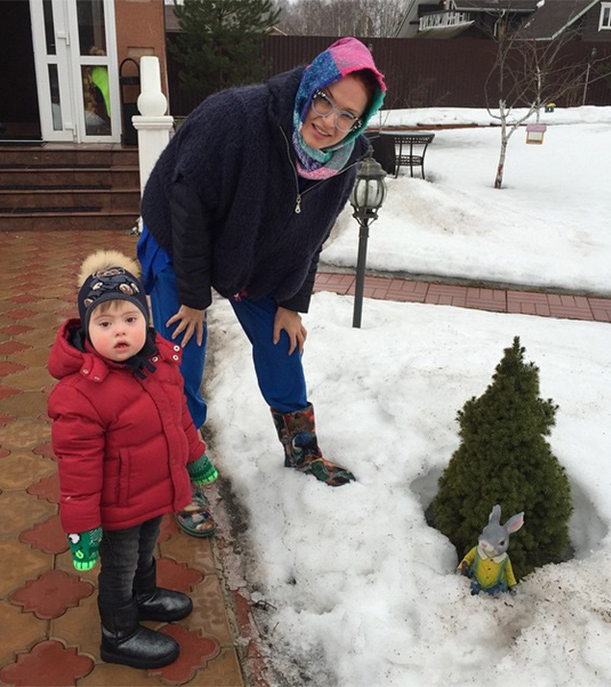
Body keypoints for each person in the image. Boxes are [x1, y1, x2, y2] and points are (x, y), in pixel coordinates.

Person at [138, 37, 386, 535]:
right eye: (324, 101)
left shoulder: (341, 162)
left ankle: (301, 448)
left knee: (281, 342)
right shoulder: (236, 116)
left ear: (360, 122)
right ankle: (182, 472)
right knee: (180, 354)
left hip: (249, 249)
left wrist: (292, 303)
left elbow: (311, 236)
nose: (329, 122)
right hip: (179, 235)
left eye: (347, 116)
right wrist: (194, 298)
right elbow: (186, 203)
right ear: (309, 87)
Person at [47, 250, 218, 670]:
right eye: (105, 324)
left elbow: (179, 420)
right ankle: (118, 634)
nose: (120, 332)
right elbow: (78, 473)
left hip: (152, 494)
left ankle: (144, 596)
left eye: (130, 319)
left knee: (145, 551)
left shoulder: (159, 366)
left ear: (146, 319)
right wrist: (83, 529)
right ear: (87, 330)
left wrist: (195, 461)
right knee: (119, 567)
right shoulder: (80, 395)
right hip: (116, 506)